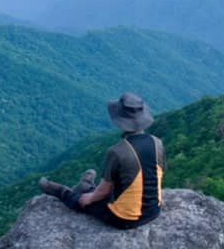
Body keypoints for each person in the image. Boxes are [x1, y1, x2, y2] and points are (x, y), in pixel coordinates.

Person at [38, 92, 165, 229]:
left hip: (125, 218)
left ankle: (63, 191)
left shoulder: (117, 151)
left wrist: (89, 199)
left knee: (83, 201)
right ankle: (86, 186)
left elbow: (104, 191)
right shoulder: (157, 143)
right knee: (115, 188)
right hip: (153, 211)